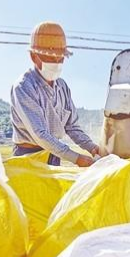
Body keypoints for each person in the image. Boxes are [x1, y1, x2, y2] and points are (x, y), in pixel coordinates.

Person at [10, 21, 102, 167]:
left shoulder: (62, 87)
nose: (57, 63)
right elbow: (40, 134)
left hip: (54, 154)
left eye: (60, 58)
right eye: (51, 58)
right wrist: (76, 158)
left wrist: (91, 146)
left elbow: (71, 127)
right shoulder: (24, 86)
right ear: (34, 57)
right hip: (28, 157)